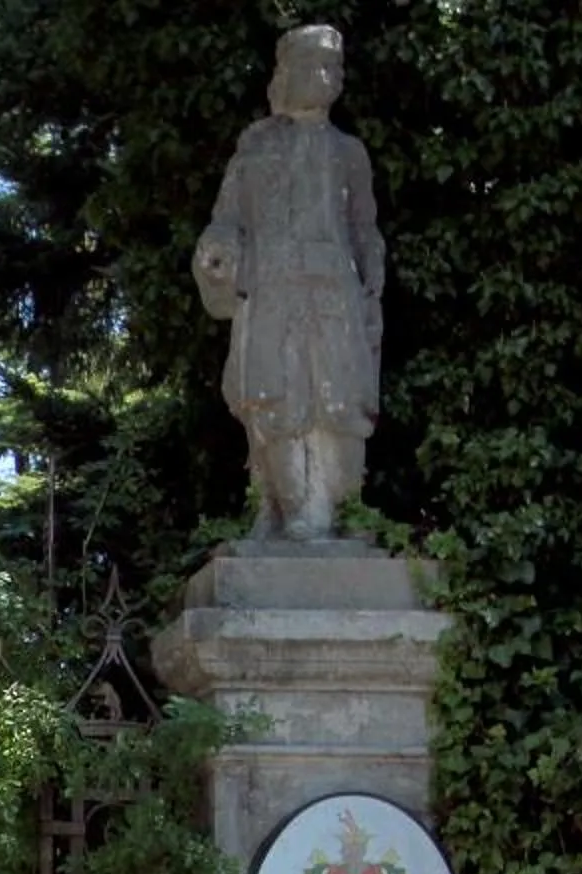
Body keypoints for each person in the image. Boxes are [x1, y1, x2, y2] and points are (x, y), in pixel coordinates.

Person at [193, 25, 385, 542]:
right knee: (273, 399)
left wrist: (373, 274)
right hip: (273, 290)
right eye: (312, 64)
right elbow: (227, 219)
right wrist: (217, 253)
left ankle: (339, 513)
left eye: (333, 66)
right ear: (286, 73)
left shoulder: (349, 153)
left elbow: (363, 227)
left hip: (332, 293)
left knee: (339, 402)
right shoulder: (255, 148)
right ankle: (287, 509)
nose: (324, 76)